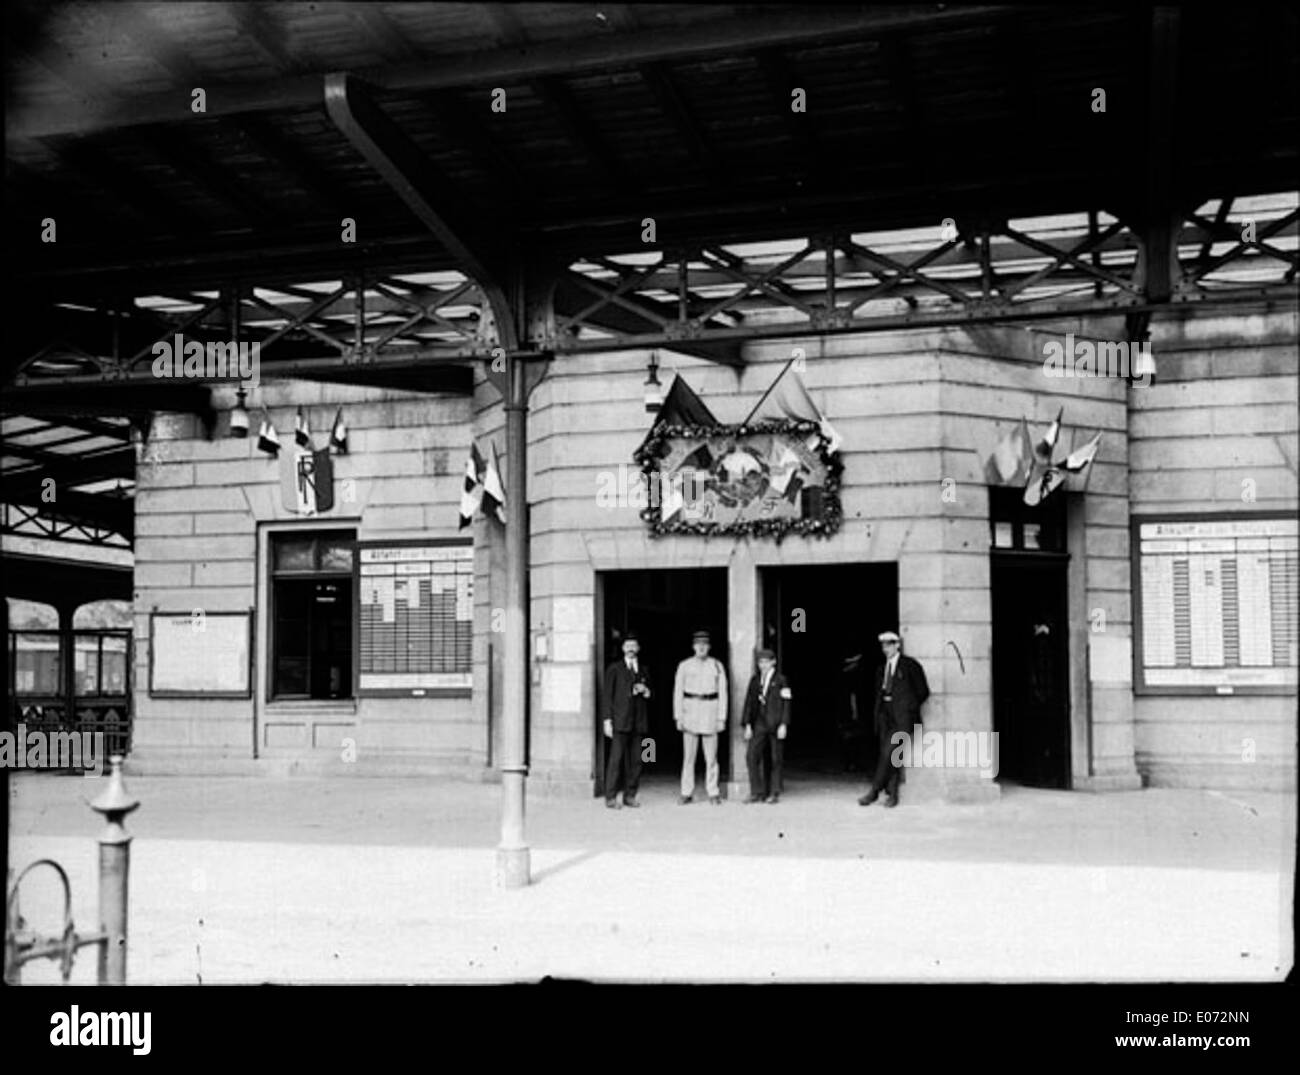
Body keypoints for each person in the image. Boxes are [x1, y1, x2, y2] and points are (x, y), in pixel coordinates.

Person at [859, 630, 930, 808]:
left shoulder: (910, 665)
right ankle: (893, 795)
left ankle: (875, 791)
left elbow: (923, 691)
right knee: (893, 756)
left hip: (903, 718)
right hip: (886, 716)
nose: (886, 649)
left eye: (889, 645)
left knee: (888, 752)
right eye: (883, 646)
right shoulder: (882, 669)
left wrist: (909, 708)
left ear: (897, 645)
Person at [673, 629, 728, 804]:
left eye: (705, 645)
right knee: (688, 757)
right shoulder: (684, 665)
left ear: (709, 647)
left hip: (710, 711)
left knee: (711, 758)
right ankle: (686, 792)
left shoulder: (717, 665)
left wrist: (721, 718)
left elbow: (723, 693)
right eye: (698, 645)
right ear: (693, 647)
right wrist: (678, 716)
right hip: (690, 711)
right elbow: (677, 692)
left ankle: (713, 792)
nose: (701, 648)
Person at [602, 632, 651, 809]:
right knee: (616, 759)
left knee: (639, 759)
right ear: (623, 649)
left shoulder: (644, 669)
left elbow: (652, 695)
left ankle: (630, 795)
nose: (631, 649)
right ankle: (610, 796)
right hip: (620, 721)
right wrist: (607, 720)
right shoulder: (614, 669)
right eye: (627, 646)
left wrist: (645, 690)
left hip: (639, 722)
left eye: (634, 645)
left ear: (638, 649)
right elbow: (607, 696)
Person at [743, 648, 791, 803]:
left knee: (776, 758)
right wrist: (748, 724)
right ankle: (757, 791)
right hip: (759, 723)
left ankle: (774, 792)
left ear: (773, 662)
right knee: (751, 756)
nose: (762, 665)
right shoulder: (755, 680)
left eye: (766, 662)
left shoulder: (781, 680)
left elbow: (786, 703)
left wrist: (784, 724)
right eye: (760, 662)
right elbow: (749, 703)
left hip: (776, 723)